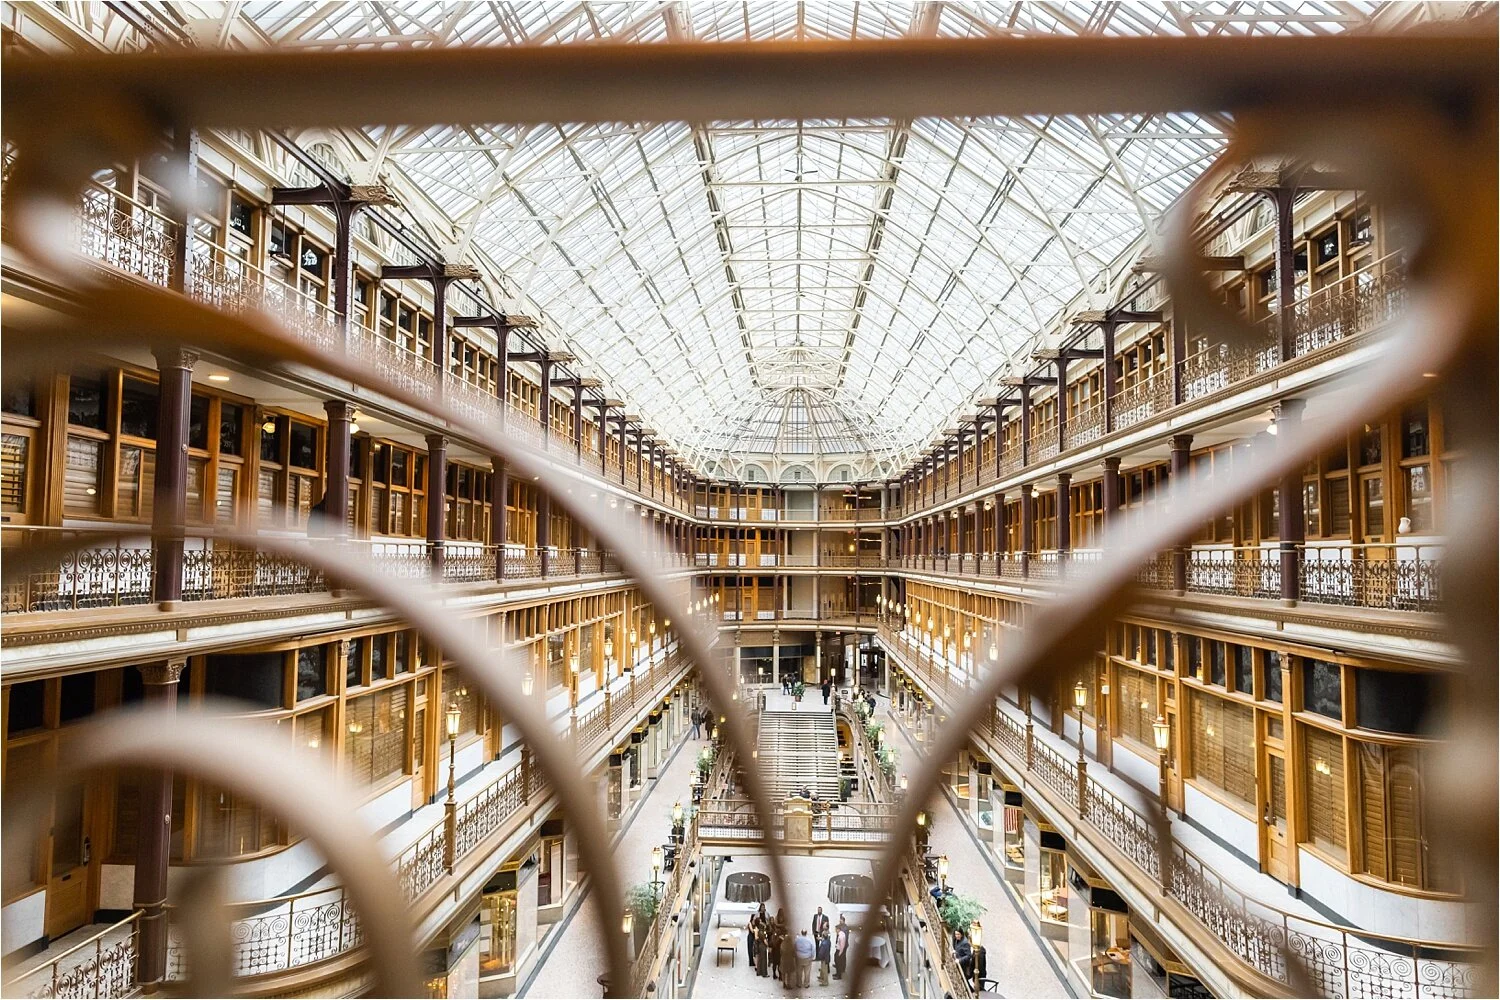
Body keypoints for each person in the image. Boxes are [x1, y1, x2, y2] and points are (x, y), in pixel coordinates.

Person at [780, 922, 797, 987]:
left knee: (784, 973)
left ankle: (784, 983)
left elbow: (781, 952)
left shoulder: (782, 945)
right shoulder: (791, 945)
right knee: (789, 973)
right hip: (789, 961)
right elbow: (793, 952)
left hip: (783, 960)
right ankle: (788, 983)